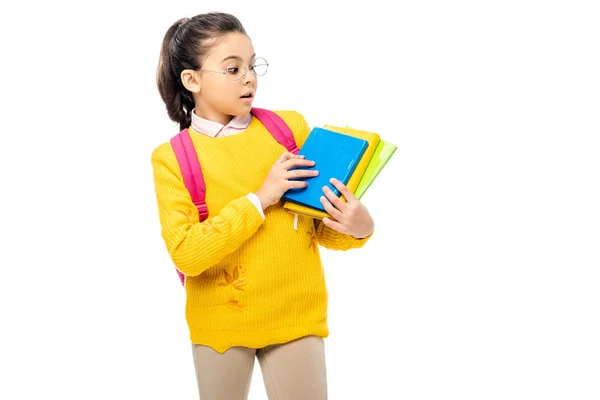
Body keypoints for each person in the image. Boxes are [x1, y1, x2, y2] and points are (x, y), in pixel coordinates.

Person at [151, 11, 375, 400]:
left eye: (253, 66)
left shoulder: (289, 129)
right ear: (192, 80)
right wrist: (260, 198)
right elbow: (187, 253)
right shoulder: (174, 157)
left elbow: (314, 225)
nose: (249, 78)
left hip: (296, 314)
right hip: (221, 321)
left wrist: (359, 227)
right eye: (233, 68)